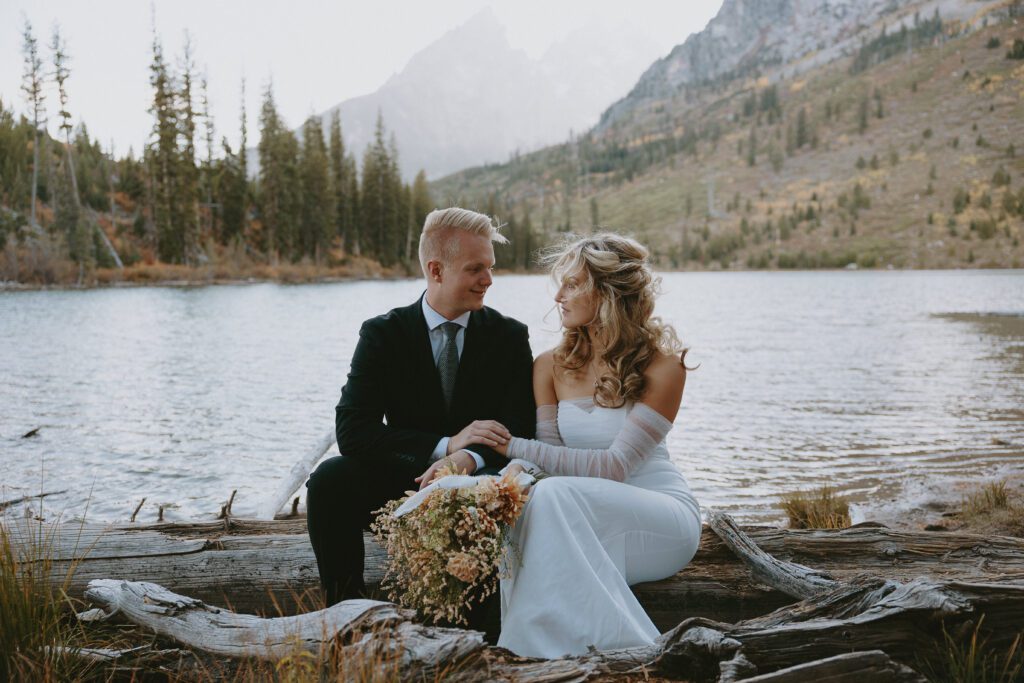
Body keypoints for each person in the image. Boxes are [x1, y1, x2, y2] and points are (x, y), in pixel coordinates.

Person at [484, 233, 701, 658]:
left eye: (572, 284)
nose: (559, 295)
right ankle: (575, 659)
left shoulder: (664, 366)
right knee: (533, 504)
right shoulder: (549, 364)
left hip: (657, 517)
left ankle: (535, 654)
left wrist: (513, 447)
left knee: (549, 497)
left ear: (606, 292)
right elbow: (549, 461)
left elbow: (616, 467)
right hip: (580, 515)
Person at [305, 207, 536, 606]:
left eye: (490, 267)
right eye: (476, 268)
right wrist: (445, 445)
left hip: (479, 486)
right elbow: (354, 432)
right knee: (329, 481)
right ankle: (348, 614)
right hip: (406, 481)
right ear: (436, 270)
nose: (489, 280)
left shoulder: (509, 336)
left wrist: (466, 457)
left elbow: (521, 425)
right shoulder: (382, 334)